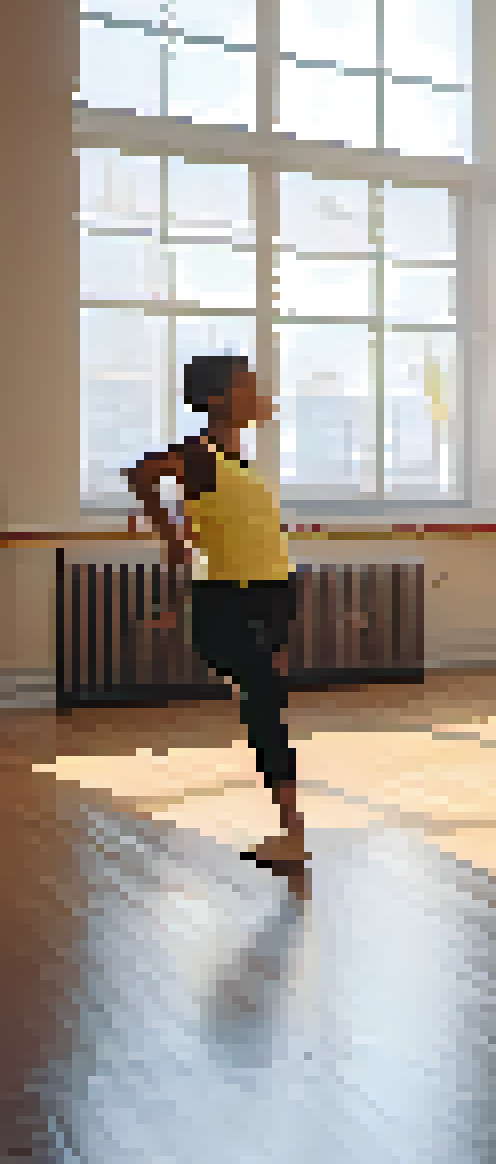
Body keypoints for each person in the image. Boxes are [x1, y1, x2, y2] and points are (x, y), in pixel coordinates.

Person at [127, 355, 310, 868]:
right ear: (218, 399)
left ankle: (291, 831)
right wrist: (171, 537)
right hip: (229, 596)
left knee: (265, 702)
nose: (259, 392)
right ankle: (291, 830)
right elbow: (140, 473)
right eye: (247, 385)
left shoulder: (237, 459)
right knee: (262, 700)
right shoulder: (199, 455)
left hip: (272, 592)